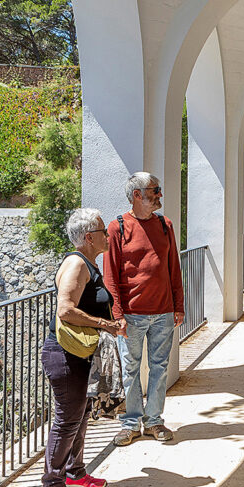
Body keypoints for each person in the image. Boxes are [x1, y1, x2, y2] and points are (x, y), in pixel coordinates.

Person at [39, 208, 122, 487]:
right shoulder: (76, 264)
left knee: (81, 414)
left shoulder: (88, 263)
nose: (107, 235)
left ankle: (74, 473)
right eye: (102, 231)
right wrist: (105, 324)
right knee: (67, 418)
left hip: (80, 355)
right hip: (65, 355)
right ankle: (51, 485)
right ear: (89, 237)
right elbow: (65, 310)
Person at [104, 172, 184, 446]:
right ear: (137, 195)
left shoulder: (165, 225)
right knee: (131, 369)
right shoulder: (118, 228)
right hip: (131, 315)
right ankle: (130, 423)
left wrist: (178, 305)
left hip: (163, 312)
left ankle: (154, 421)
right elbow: (110, 275)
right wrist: (117, 315)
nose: (160, 195)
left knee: (160, 368)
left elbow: (174, 268)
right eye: (155, 190)